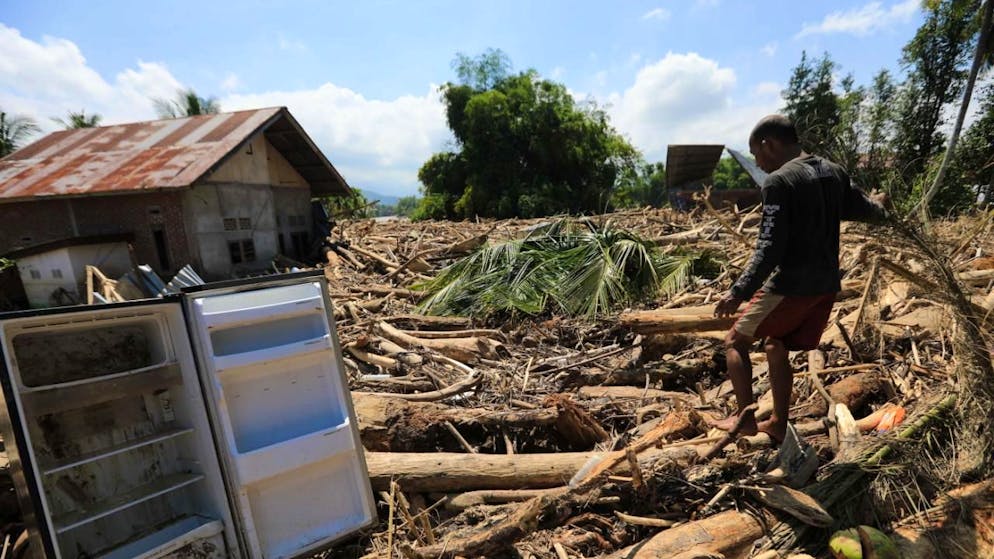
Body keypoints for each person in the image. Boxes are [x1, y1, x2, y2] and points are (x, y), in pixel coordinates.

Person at [711, 115, 888, 442]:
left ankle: (746, 419)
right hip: (824, 288)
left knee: (735, 342)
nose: (758, 164)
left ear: (769, 144)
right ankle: (778, 424)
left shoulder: (778, 182)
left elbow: (769, 249)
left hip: (790, 286)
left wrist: (739, 291)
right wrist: (886, 210)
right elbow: (865, 209)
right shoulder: (834, 172)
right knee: (776, 344)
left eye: (757, 155)